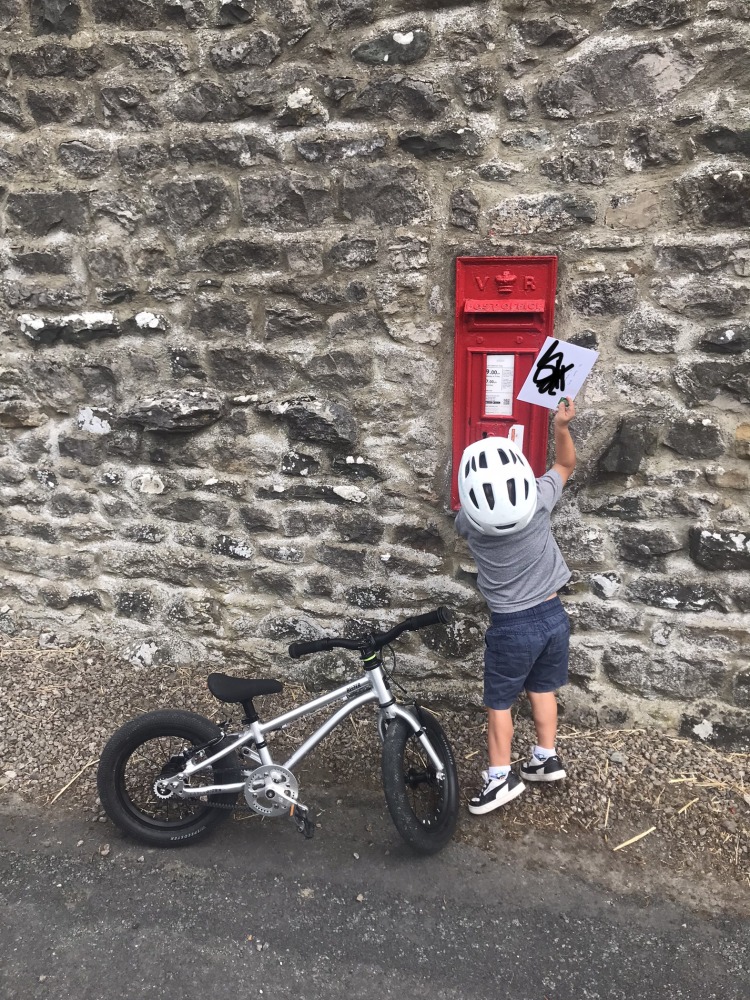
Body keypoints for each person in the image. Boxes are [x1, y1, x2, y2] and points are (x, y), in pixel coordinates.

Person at [455, 399, 576, 815]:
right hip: (553, 617)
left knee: (500, 703)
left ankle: (499, 777)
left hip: (511, 626)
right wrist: (559, 426)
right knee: (543, 690)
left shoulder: (469, 525)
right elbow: (565, 465)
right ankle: (545, 757)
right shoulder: (539, 500)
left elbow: (465, 509)